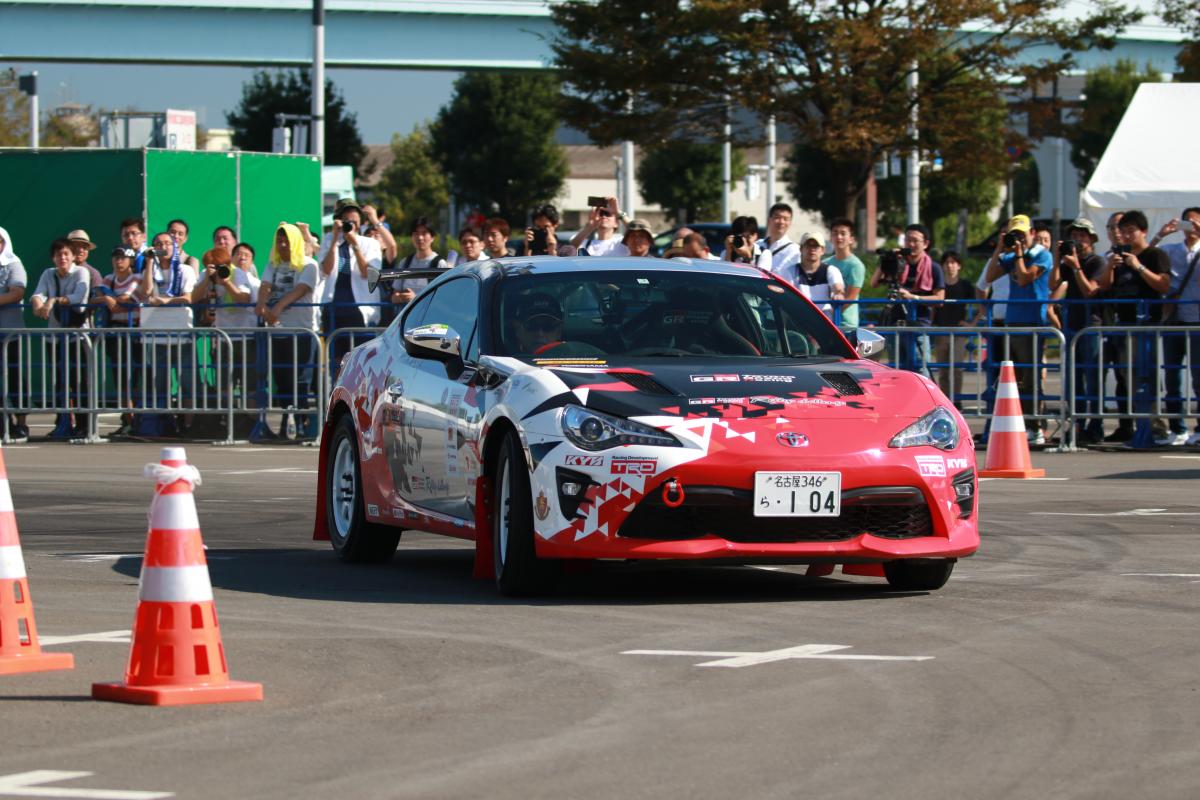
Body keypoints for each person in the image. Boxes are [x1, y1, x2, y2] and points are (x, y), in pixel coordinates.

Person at [1097, 209, 1171, 444]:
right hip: (1123, 324)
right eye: (1123, 231)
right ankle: (1141, 426)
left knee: (1145, 377)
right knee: (1128, 378)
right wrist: (1111, 265)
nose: (1127, 236)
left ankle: (1155, 427)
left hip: (1146, 325)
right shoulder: (1118, 257)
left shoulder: (1155, 255)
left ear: (1144, 232)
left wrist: (1138, 266)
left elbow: (1163, 285)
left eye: (1131, 231)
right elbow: (1103, 286)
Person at [984, 214, 1053, 442]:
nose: (1020, 239)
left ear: (1032, 233)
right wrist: (1000, 249)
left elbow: (1024, 279)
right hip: (1012, 321)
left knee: (1031, 377)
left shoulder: (1043, 255)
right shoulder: (1012, 255)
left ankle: (1034, 426)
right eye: (1016, 235)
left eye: (1023, 234)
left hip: (1032, 322)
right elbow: (990, 276)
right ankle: (1020, 424)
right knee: (1015, 378)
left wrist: (1019, 254)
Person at [257, 223, 321, 439]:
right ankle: (286, 419)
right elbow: (265, 285)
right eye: (278, 240)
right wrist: (262, 304)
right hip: (276, 331)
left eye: (286, 240)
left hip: (301, 331)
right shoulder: (272, 265)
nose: (282, 244)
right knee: (282, 377)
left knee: (301, 377)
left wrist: (278, 307)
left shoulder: (308, 264)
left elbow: (301, 289)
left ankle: (302, 420)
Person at [1050, 218, 1107, 445]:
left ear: (1092, 239)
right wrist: (1058, 258)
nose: (1079, 240)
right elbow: (1053, 284)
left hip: (1091, 326)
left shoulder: (1097, 262)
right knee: (1073, 382)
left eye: (1083, 235)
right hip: (1071, 325)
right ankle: (1077, 424)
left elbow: (1089, 290)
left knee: (1093, 379)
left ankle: (1095, 425)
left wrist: (1076, 267)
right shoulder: (1066, 263)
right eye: (1075, 235)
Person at [31, 239, 91, 438]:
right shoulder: (48, 273)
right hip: (55, 338)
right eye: (58, 255)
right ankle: (63, 422)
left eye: (66, 254)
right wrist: (38, 303)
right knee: (60, 381)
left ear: (73, 256)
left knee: (80, 380)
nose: (62, 258)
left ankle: (84, 425)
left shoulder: (82, 273)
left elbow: (79, 297)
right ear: (53, 258)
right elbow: (37, 294)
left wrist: (54, 300)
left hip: (77, 337)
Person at [870, 223, 945, 375]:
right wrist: (887, 259)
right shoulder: (899, 263)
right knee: (896, 371)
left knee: (921, 370)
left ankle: (924, 399)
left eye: (915, 240)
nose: (910, 244)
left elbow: (940, 298)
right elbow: (874, 283)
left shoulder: (934, 267)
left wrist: (914, 297)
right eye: (907, 240)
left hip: (919, 324)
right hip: (895, 324)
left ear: (925, 243)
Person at [318, 198, 382, 374]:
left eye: (354, 222)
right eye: (347, 222)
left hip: (360, 309)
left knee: (362, 360)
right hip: (334, 308)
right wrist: (334, 242)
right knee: (337, 360)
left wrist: (354, 245)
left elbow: (367, 273)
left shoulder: (370, 243)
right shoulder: (330, 240)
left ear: (361, 223)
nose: (350, 225)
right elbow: (325, 269)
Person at [1153, 208, 1200, 445]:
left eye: (1196, 222)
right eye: (1188, 222)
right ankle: (1177, 428)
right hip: (1175, 319)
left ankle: (1199, 428)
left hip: (1197, 321)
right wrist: (1162, 234)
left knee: (1199, 376)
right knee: (1172, 376)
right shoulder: (1171, 250)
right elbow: (1146, 256)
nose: (1192, 226)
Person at [97, 246, 143, 437]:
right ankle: (127, 419)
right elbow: (96, 297)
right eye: (116, 257)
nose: (119, 261)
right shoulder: (109, 278)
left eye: (123, 258)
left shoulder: (137, 278)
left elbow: (124, 300)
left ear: (131, 260)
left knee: (136, 377)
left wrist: (108, 298)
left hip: (134, 332)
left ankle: (138, 419)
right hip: (115, 333)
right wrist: (111, 300)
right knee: (121, 378)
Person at [381, 216, 450, 326]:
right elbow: (394, 294)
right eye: (416, 233)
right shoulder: (405, 262)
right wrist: (398, 297)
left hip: (429, 324)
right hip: (404, 323)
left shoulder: (439, 264)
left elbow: (443, 300)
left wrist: (415, 299)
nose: (420, 237)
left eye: (424, 233)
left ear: (432, 237)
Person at [931, 251, 975, 407]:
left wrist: (972, 323)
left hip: (958, 332)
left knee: (956, 368)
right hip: (940, 330)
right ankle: (945, 401)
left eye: (953, 262)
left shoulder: (965, 285)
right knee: (942, 370)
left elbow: (982, 304)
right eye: (947, 262)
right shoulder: (938, 285)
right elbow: (932, 306)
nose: (950, 266)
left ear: (959, 265)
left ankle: (956, 400)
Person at [0, 227, 28, 442]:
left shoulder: (13, 264)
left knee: (16, 379)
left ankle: (20, 424)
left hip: (10, 334)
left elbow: (17, 292)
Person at [781, 232, 843, 317]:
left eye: (816, 246)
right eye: (808, 245)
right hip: (798, 320)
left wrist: (838, 293)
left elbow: (838, 288)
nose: (812, 249)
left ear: (822, 250)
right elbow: (785, 295)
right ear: (801, 249)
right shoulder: (790, 271)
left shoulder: (831, 270)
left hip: (824, 320)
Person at [826, 218, 865, 328]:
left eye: (843, 233)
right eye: (835, 233)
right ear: (831, 237)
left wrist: (829, 314)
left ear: (851, 239)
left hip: (846, 324)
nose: (839, 237)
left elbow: (850, 298)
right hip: (825, 321)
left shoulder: (856, 265)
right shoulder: (825, 263)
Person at [762, 203, 799, 277]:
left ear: (790, 222)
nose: (781, 222)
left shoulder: (794, 250)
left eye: (786, 219)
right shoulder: (758, 244)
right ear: (769, 220)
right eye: (777, 217)